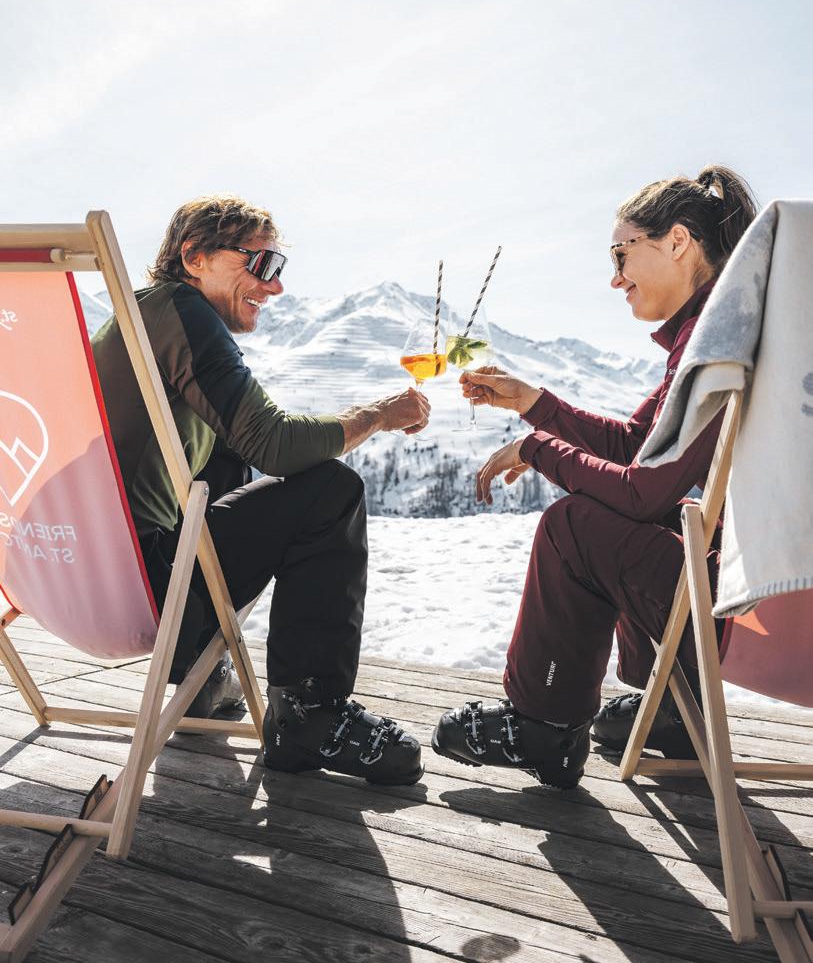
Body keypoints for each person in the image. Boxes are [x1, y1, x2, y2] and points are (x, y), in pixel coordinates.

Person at [431, 166, 758, 789]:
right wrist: (535, 404)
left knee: (575, 525)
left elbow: (644, 491)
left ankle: (543, 724)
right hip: (769, 593)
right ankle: (672, 709)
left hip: (745, 606)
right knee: (618, 514)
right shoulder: (725, 326)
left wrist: (538, 449)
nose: (615, 278)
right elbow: (640, 445)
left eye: (621, 254)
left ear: (678, 241)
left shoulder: (716, 342)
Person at [92, 194, 430, 786]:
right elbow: (273, 442)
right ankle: (310, 716)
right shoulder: (182, 310)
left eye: (279, 267)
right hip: (142, 586)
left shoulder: (134, 316)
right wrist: (377, 415)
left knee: (226, 458)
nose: (274, 286)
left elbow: (248, 443)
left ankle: (201, 676)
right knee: (329, 491)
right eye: (260, 263)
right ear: (194, 257)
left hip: (73, 573)